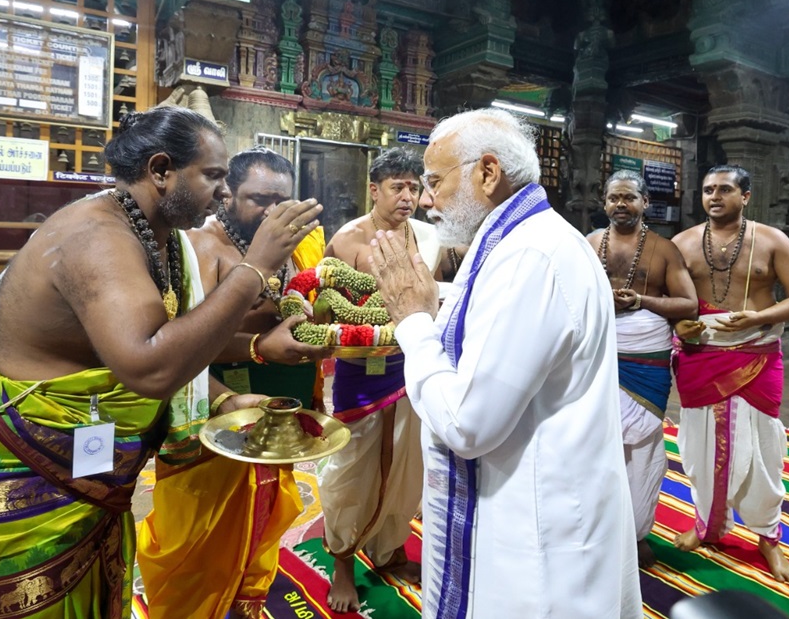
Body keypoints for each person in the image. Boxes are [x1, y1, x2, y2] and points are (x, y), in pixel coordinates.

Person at [0, 107, 322, 618]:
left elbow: (175, 338)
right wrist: (255, 267)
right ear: (160, 170)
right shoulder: (98, 236)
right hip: (16, 467)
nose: (223, 194)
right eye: (214, 177)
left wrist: (229, 389)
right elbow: (150, 367)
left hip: (87, 467)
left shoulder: (159, 235)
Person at [368, 108, 642, 618]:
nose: (426, 200)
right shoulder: (520, 239)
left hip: (535, 530)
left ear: (487, 173)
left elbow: (467, 424)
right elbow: (486, 317)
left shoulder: (531, 255)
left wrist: (411, 321)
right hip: (532, 504)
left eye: (433, 182)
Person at [137, 146, 331, 619]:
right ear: (227, 197)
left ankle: (242, 606)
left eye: (279, 199)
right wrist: (253, 355)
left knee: (262, 521)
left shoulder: (297, 244)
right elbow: (182, 343)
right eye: (257, 198)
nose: (269, 211)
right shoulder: (203, 247)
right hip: (215, 417)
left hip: (279, 412)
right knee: (197, 540)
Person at [670, 165, 789, 583]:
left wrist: (761, 316)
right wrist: (680, 326)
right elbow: (669, 303)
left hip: (756, 353)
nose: (715, 196)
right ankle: (707, 524)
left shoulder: (772, 241)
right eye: (708, 190)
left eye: (726, 189)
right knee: (698, 445)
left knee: (764, 448)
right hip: (701, 357)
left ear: (746, 196)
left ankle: (769, 537)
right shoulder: (681, 244)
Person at [319, 146, 440, 612]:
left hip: (413, 365)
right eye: (398, 187)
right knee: (352, 469)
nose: (408, 196)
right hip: (363, 369)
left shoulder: (428, 238)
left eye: (414, 187)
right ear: (375, 189)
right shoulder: (349, 241)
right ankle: (343, 564)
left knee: (409, 465)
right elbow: (327, 310)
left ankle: (388, 550)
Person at [586, 169, 697, 568]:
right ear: (604, 202)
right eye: (614, 197)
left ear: (645, 203)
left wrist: (642, 302)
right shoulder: (590, 243)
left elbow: (688, 304)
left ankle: (636, 532)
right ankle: (596, 527)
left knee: (643, 444)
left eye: (629, 197)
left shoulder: (664, 249)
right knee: (593, 442)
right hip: (597, 354)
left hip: (644, 360)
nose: (621, 204)